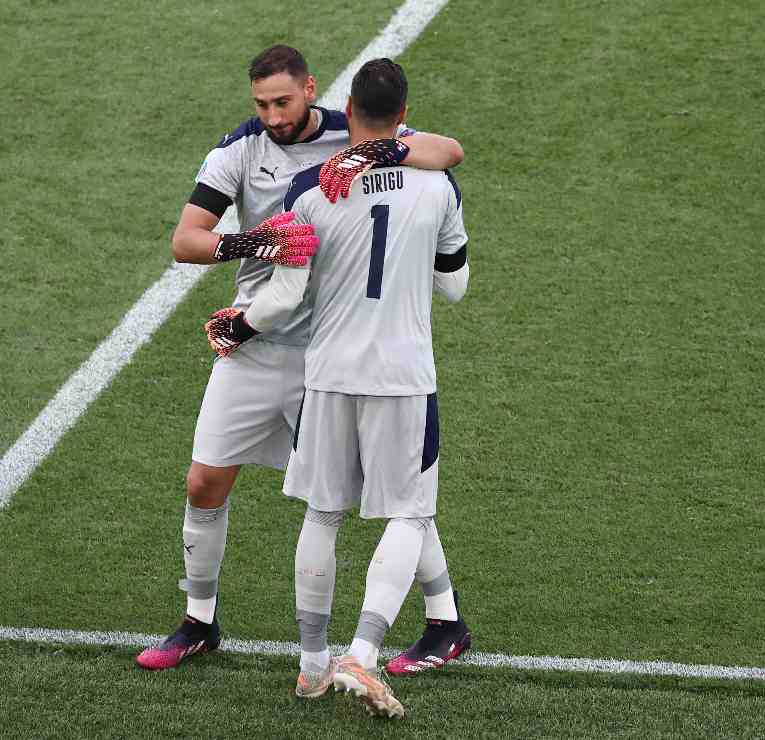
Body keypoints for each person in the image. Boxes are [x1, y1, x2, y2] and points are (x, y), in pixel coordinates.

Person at [137, 45, 464, 670]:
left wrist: (383, 149)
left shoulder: (354, 128)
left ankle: (443, 616)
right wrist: (258, 239)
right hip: (258, 346)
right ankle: (198, 621)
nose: (272, 114)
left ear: (312, 91)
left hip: (331, 356)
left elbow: (445, 152)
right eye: (260, 103)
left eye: (283, 101)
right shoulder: (240, 149)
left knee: (395, 493)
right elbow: (185, 240)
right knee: (204, 480)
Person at [217, 57, 471, 717]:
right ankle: (362, 650)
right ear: (404, 113)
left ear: (348, 110)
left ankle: (309, 666)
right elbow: (455, 284)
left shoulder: (307, 190)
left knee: (323, 515)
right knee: (410, 513)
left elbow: (282, 298)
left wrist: (238, 326)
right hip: (402, 377)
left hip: (326, 374)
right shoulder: (439, 186)